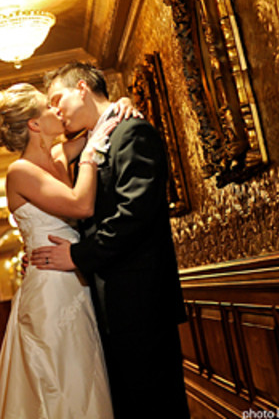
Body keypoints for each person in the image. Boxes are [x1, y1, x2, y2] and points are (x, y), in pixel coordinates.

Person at [31, 61, 190, 418]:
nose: (56, 112)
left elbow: (136, 213)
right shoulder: (92, 139)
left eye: (58, 100)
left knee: (155, 401)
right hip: (109, 295)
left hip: (140, 296)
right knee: (128, 400)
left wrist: (79, 255)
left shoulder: (131, 132)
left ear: (83, 87)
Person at [0, 83, 135, 419]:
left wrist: (121, 103)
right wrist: (91, 158)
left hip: (76, 283)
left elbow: (101, 123)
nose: (57, 111)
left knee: (85, 376)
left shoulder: (60, 155)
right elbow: (81, 205)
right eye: (48, 108)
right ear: (35, 124)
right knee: (57, 381)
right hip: (49, 291)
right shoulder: (19, 172)